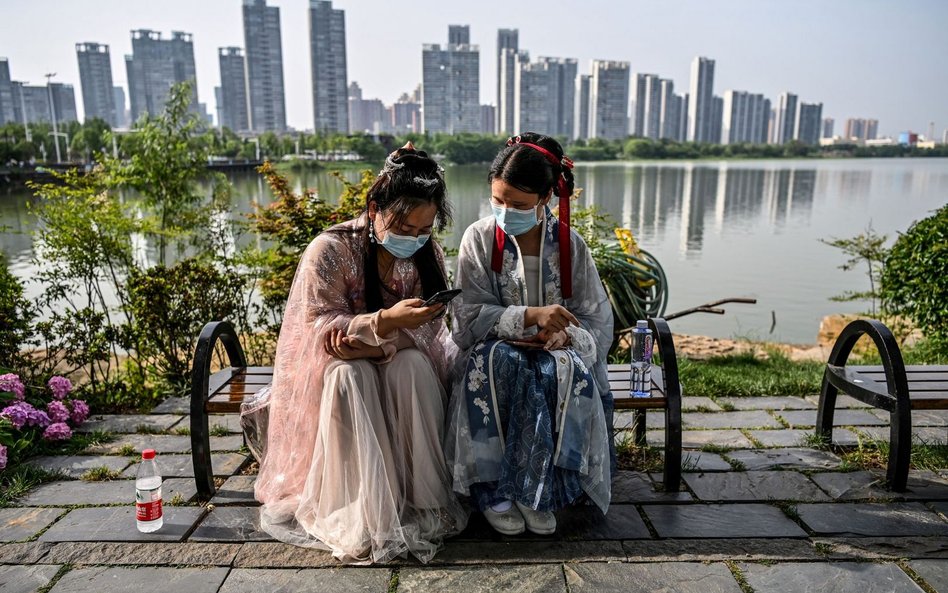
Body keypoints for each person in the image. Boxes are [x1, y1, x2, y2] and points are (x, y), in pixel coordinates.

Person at [245, 142, 467, 564]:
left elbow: (431, 328)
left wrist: (381, 337)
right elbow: (314, 329)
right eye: (404, 229)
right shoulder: (330, 249)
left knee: (415, 367)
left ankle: (424, 498)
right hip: (338, 370)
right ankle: (361, 507)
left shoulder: (428, 254)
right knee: (350, 376)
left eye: (424, 231)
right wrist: (382, 323)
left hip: (397, 354)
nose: (415, 240)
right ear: (374, 208)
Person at [444, 133, 615, 536]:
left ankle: (538, 491)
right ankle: (493, 492)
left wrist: (564, 337)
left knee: (556, 369)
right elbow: (466, 318)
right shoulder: (479, 239)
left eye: (519, 205)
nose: (506, 212)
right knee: (501, 363)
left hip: (556, 348)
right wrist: (530, 316)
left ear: (546, 200)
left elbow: (596, 320)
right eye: (498, 201)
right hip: (494, 346)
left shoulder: (572, 246)